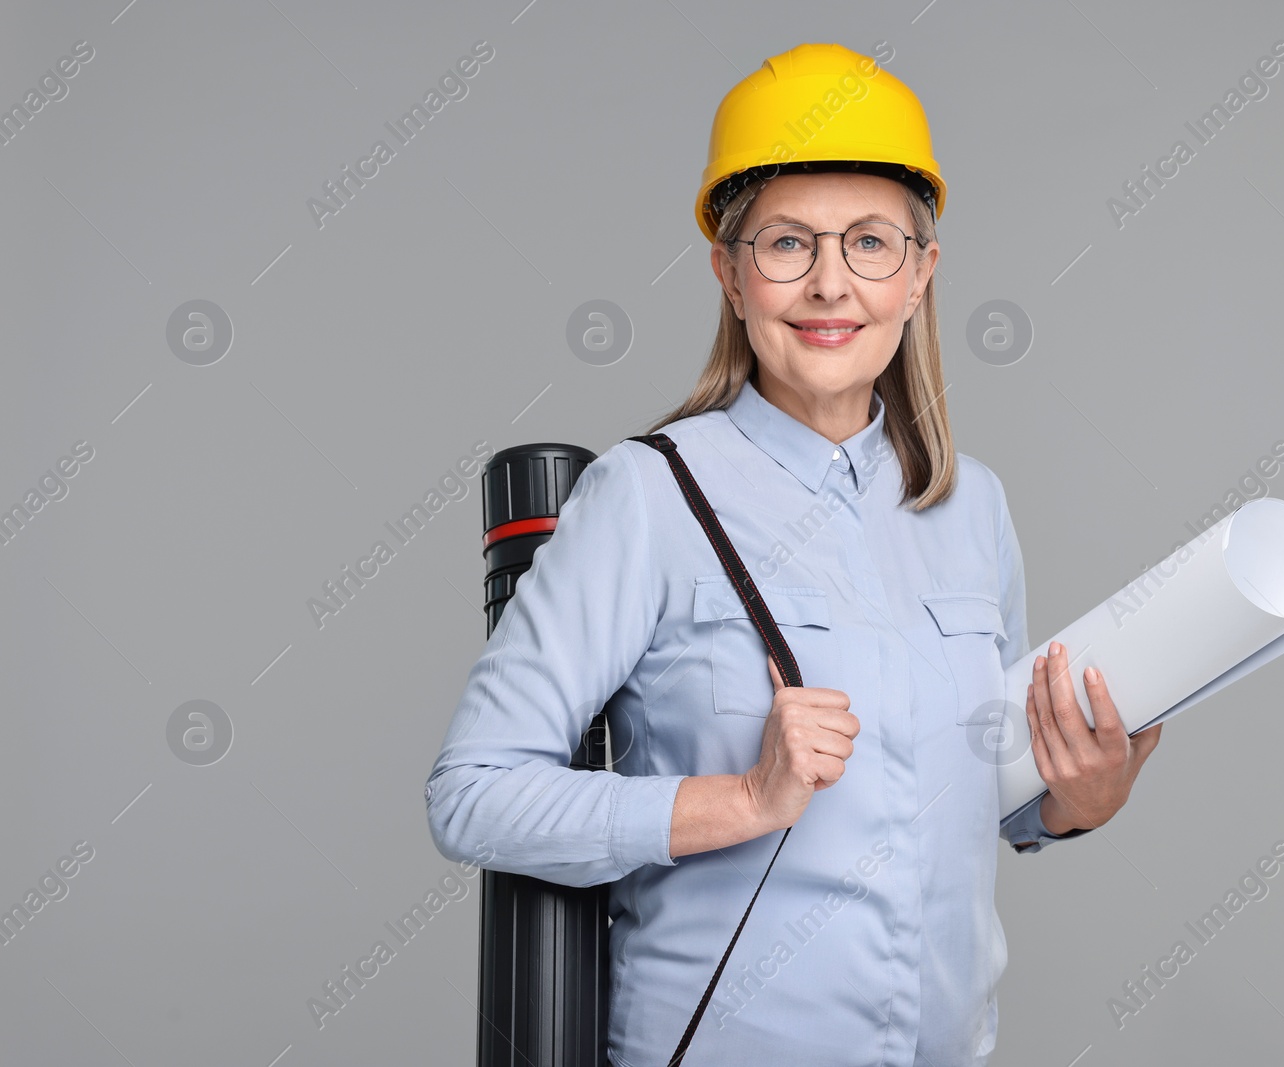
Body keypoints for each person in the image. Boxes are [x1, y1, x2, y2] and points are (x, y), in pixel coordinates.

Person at [425, 42, 1162, 1066]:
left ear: (919, 273)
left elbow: (965, 786)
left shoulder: (972, 507)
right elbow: (473, 791)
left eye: (869, 242)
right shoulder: (646, 496)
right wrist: (742, 798)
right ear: (729, 272)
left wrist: (1077, 799)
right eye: (785, 244)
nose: (829, 285)